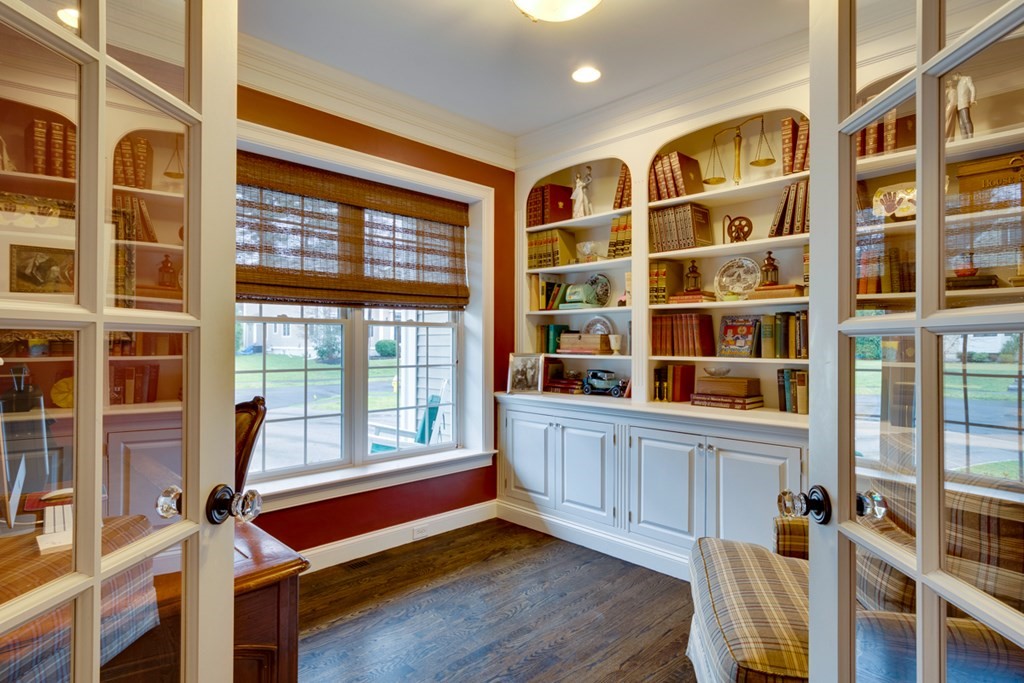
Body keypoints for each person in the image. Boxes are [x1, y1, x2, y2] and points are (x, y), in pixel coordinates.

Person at [954, 71, 977, 139]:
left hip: (964, 101)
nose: (954, 78)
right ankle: (964, 138)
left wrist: (972, 99)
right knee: (961, 124)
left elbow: (972, 88)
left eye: (954, 76)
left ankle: (970, 137)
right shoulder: (958, 84)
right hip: (958, 104)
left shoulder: (966, 78)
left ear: (957, 74)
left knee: (966, 120)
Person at [945, 76, 958, 141]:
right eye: (948, 82)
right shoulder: (947, 91)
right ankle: (947, 137)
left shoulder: (953, 91)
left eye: (950, 82)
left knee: (950, 121)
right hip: (949, 106)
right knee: (948, 121)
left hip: (952, 105)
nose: (949, 83)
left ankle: (949, 138)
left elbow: (953, 101)